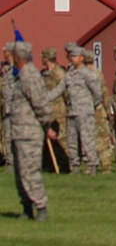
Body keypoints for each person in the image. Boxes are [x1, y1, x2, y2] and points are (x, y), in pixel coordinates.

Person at [9, 43, 53, 222]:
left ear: (17, 57)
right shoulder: (21, 76)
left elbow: (40, 104)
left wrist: (46, 124)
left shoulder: (30, 76)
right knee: (20, 174)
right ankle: (27, 208)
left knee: (29, 172)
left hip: (29, 134)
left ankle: (41, 207)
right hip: (19, 132)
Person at [46, 43, 101, 174]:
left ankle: (92, 165)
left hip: (84, 112)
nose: (72, 58)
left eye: (75, 56)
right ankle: (75, 165)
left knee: (87, 139)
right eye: (71, 56)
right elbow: (59, 89)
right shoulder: (69, 74)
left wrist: (90, 106)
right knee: (71, 140)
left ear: (82, 57)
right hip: (71, 112)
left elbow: (97, 93)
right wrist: (43, 99)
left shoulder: (87, 74)